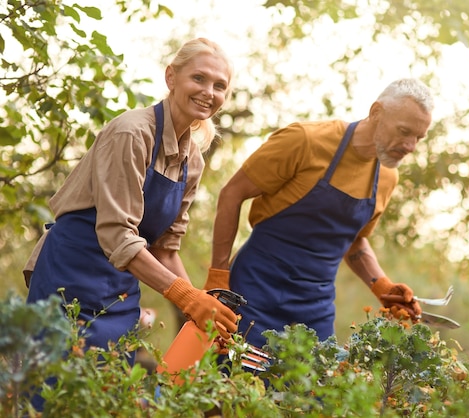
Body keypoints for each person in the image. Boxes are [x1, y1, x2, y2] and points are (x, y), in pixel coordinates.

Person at [24, 38, 238, 363]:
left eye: (219, 85)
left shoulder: (192, 160)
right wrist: (189, 298)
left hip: (119, 293)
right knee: (52, 395)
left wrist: (200, 313)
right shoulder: (132, 133)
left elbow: (165, 249)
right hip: (68, 279)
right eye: (199, 78)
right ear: (171, 78)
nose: (209, 91)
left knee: (112, 397)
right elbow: (118, 236)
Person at [205, 78, 434, 350]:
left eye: (418, 137)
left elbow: (354, 239)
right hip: (255, 292)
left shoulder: (387, 177)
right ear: (376, 113)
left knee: (316, 390)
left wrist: (382, 287)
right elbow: (232, 193)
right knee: (236, 382)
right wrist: (219, 273)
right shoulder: (305, 140)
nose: (410, 146)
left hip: (316, 308)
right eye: (404, 131)